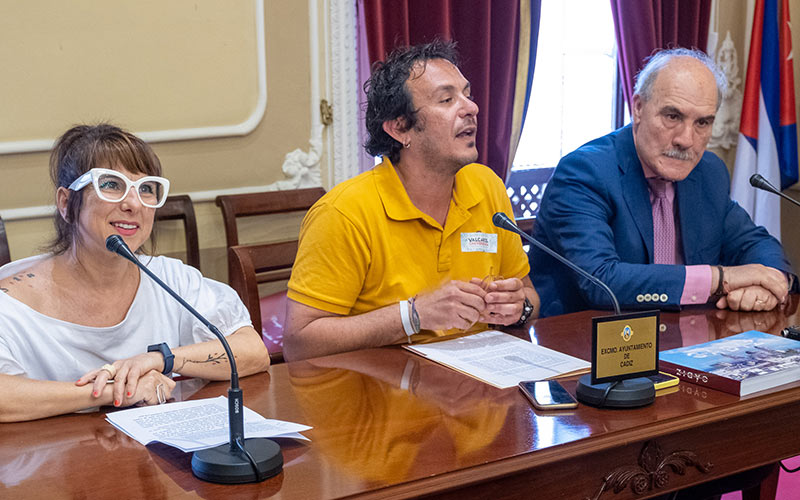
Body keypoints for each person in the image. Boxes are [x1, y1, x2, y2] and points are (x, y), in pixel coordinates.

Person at [284, 40, 538, 361]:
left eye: (467, 95)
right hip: (385, 392)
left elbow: (529, 296)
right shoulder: (344, 212)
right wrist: (413, 316)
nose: (471, 108)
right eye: (447, 99)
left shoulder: (487, 185)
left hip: (480, 384)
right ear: (400, 127)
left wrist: (519, 308)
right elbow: (299, 341)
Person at [0, 124, 269, 422]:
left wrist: (161, 359)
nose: (132, 204)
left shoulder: (171, 279)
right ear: (66, 203)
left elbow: (253, 351)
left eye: (145, 189)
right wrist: (116, 390)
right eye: (111, 184)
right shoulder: (11, 301)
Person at [531, 48, 795, 318]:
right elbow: (601, 281)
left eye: (702, 122)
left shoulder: (708, 172)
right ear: (639, 108)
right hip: (587, 342)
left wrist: (770, 282)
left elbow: (754, 242)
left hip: (687, 340)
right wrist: (722, 279)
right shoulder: (585, 172)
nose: (686, 139)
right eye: (673, 116)